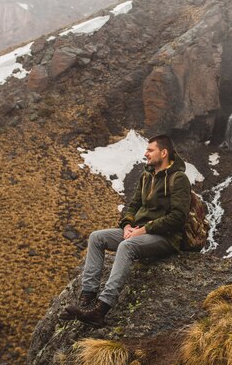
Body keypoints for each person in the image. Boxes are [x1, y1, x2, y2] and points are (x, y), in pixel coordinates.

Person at [61, 134, 191, 327]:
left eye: (150, 150)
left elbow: (178, 218)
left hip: (166, 237)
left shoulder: (178, 179)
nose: (145, 153)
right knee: (97, 237)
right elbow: (133, 205)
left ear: (163, 153)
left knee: (126, 247)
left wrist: (144, 229)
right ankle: (86, 299)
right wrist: (128, 225)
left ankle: (101, 309)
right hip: (139, 232)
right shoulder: (147, 175)